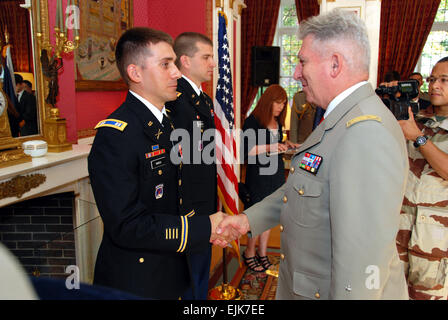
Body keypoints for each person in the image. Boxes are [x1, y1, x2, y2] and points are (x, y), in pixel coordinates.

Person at [214, 9, 409, 300]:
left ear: (334, 64)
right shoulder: (339, 120)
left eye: (302, 61)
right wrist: (246, 220)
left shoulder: (365, 132)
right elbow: (301, 191)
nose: (295, 73)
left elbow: (363, 263)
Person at [88, 27, 229, 299]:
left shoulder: (168, 124)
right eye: (166, 64)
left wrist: (206, 227)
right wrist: (203, 227)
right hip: (140, 279)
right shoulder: (115, 136)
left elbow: (179, 194)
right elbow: (127, 226)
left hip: (175, 264)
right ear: (135, 73)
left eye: (175, 63)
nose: (176, 72)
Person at [165, 32, 217, 300]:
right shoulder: (177, 100)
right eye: (206, 57)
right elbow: (182, 161)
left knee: (200, 273)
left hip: (205, 202)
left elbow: (206, 157)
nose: (213, 63)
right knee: (189, 278)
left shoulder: (202, 99)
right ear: (185, 60)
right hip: (190, 207)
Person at [396, 57, 448, 300]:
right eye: (432, 79)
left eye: (444, 80)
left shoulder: (416, 129)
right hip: (399, 235)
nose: (435, 85)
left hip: (435, 248)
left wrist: (417, 136)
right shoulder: (415, 118)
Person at [241, 84, 298, 272]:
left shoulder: (277, 121)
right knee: (256, 216)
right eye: (277, 102)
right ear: (268, 101)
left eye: (283, 103)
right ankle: (249, 252)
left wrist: (284, 145)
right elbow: (245, 151)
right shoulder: (253, 121)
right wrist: (270, 147)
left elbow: (274, 145)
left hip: (275, 173)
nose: (281, 107)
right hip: (258, 175)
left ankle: (262, 253)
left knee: (271, 215)